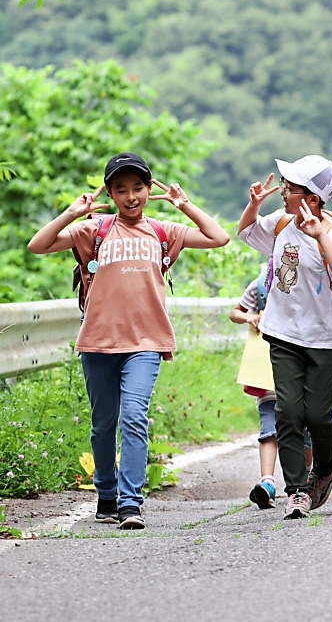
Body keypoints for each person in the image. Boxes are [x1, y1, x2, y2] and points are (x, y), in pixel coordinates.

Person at [28, 152, 229, 530]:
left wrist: (184, 205)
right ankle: (106, 493)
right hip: (99, 342)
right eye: (121, 190)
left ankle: (131, 503)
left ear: (150, 190)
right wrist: (73, 213)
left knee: (134, 417)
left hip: (146, 342)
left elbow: (219, 237)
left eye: (138, 188)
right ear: (110, 192)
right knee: (103, 424)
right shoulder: (95, 230)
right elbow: (38, 245)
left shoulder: (163, 230)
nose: (131, 196)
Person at [238, 155, 332, 519]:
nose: (284, 191)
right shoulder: (280, 222)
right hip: (282, 333)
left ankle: (326, 467)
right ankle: (297, 490)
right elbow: (245, 232)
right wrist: (254, 205)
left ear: (313, 199)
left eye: (291, 187)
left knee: (318, 418)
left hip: (323, 338)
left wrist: (320, 235)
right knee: (288, 412)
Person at [229, 277, 313, 509]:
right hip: (266, 374)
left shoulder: (307, 280)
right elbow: (236, 312)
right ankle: (267, 483)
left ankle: (305, 480)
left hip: (300, 370)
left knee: (304, 430)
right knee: (269, 430)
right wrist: (250, 317)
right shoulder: (260, 285)